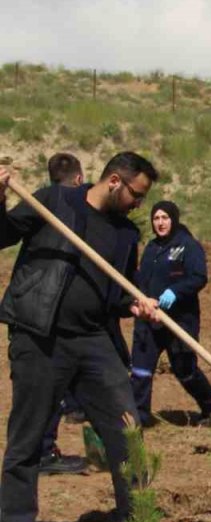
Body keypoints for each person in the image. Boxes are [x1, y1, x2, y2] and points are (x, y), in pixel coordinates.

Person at [0, 153, 186, 522]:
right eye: (137, 194)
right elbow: (1, 233)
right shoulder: (57, 201)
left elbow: (116, 293)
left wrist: (135, 304)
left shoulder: (124, 234)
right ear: (115, 181)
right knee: (27, 440)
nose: (141, 204)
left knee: (128, 433)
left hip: (94, 342)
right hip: (40, 336)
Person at [129, 200, 211, 427]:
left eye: (165, 218)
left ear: (174, 219)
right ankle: (139, 418)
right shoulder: (151, 248)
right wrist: (140, 301)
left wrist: (175, 291)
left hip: (179, 320)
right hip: (150, 318)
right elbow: (141, 280)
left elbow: (198, 277)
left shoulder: (187, 246)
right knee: (141, 370)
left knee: (185, 370)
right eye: (156, 218)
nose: (160, 223)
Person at [37, 152, 90, 475]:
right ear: (80, 178)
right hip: (62, 311)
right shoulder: (80, 206)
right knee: (53, 383)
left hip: (43, 310)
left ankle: (44, 447)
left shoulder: (42, 202)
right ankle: (43, 451)